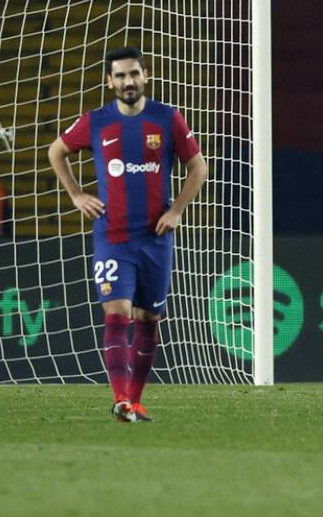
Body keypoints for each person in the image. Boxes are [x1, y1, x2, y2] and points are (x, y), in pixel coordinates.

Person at [47, 46, 208, 422]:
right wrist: (76, 194)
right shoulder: (96, 121)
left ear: (145, 76)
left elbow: (199, 167)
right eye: (120, 75)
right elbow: (56, 151)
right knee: (117, 314)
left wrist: (177, 210)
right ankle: (120, 398)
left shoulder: (167, 118)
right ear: (109, 81)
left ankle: (134, 402)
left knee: (148, 319)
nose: (128, 81)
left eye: (134, 73)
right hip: (113, 237)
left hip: (155, 238)